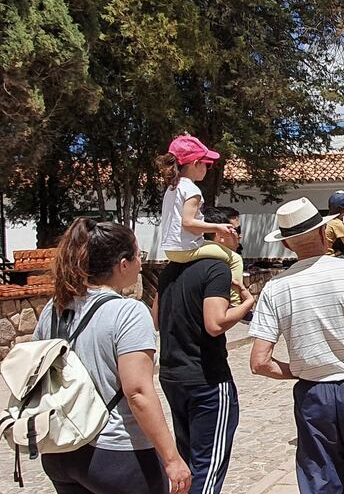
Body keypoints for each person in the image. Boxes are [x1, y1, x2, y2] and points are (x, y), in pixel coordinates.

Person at [248, 197, 344, 493]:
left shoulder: (276, 287)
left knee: (319, 476)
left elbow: (259, 362)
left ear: (286, 245)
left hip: (313, 392)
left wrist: (302, 369)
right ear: (323, 233)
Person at [33, 218, 191, 494]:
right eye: (138, 256)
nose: (142, 263)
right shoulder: (128, 312)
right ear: (122, 264)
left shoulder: (54, 307)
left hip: (61, 447)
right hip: (116, 451)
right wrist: (172, 458)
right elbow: (138, 392)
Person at [154, 206, 256, 494]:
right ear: (218, 233)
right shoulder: (218, 268)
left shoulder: (170, 269)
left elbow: (156, 320)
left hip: (173, 375)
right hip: (207, 377)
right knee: (208, 466)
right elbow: (215, 324)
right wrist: (248, 304)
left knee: (187, 461)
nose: (238, 236)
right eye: (235, 229)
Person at [156, 135, 245, 304]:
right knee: (235, 259)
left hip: (171, 249)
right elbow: (188, 222)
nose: (208, 168)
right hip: (187, 248)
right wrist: (217, 228)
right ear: (196, 163)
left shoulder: (172, 188)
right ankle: (235, 301)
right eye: (207, 164)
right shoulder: (191, 189)